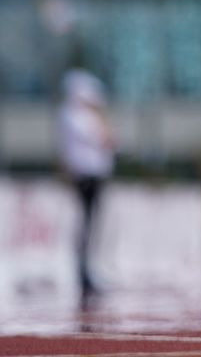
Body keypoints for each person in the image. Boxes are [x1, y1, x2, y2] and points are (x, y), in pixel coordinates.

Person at [57, 68, 113, 301]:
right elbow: (105, 138)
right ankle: (83, 272)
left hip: (94, 176)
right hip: (85, 177)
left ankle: (89, 269)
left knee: (92, 226)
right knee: (86, 225)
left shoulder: (80, 115)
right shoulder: (73, 115)